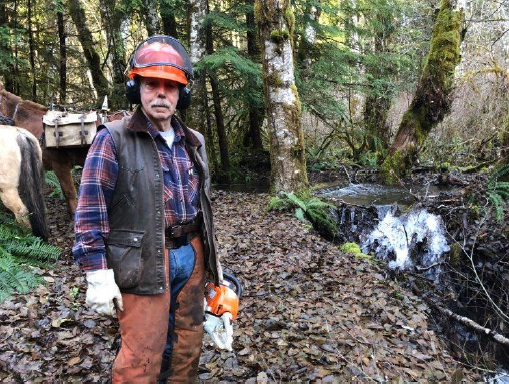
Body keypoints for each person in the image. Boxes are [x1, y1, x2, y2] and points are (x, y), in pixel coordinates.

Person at [72, 35, 232, 383]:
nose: (161, 92)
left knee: (187, 348)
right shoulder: (111, 139)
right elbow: (89, 211)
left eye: (170, 86)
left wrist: (218, 275)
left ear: (182, 93)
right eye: (151, 83)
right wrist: (96, 273)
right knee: (140, 357)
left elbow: (203, 209)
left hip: (192, 256)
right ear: (137, 88)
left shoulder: (195, 141)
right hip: (142, 259)